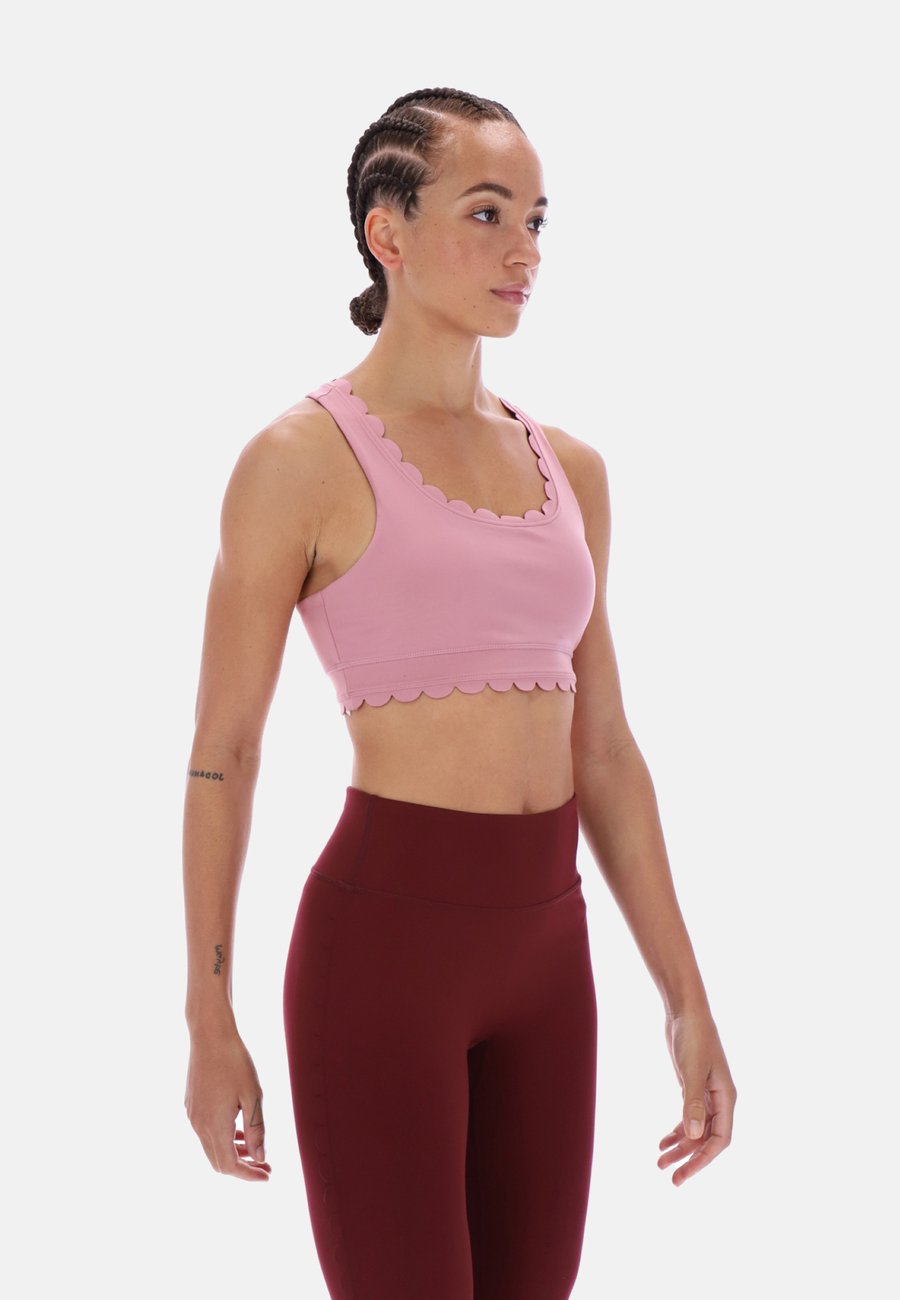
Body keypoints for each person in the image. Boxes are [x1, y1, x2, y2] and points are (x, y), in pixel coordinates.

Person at [182, 85, 737, 1300]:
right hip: (382, 958)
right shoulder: (298, 461)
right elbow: (225, 750)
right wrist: (208, 1017)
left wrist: (685, 998)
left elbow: (605, 749)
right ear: (387, 230)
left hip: (549, 956)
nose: (524, 251)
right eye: (487, 214)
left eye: (536, 219)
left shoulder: (571, 470)